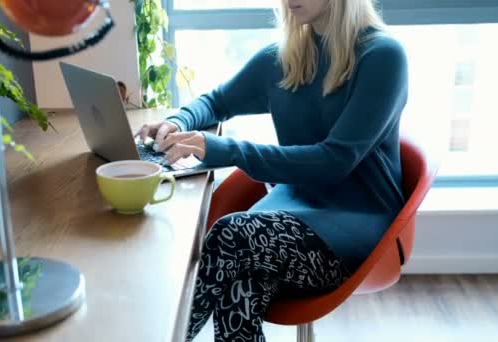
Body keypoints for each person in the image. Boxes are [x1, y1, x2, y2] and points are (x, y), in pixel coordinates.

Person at [137, 0, 408, 340]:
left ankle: (160, 336)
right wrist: (176, 122)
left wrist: (229, 151)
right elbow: (217, 101)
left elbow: (335, 161)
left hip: (357, 225)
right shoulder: (286, 56)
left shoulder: (383, 56)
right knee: (240, 289)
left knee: (230, 235)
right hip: (290, 210)